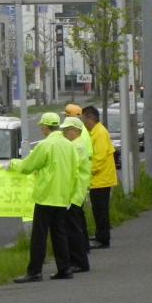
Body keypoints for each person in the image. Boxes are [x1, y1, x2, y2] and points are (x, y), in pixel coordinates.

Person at [9, 112, 79, 283]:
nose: (41, 129)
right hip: (62, 196)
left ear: (46, 128)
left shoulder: (45, 145)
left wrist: (12, 164)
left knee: (39, 236)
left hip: (46, 196)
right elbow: (75, 171)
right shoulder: (69, 145)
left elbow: (28, 166)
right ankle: (65, 268)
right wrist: (70, 193)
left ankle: (34, 271)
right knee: (59, 233)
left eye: (42, 127)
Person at [81, 105, 118, 249]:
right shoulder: (95, 132)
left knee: (100, 210)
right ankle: (100, 235)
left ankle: (103, 239)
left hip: (101, 179)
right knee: (98, 209)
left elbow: (100, 157)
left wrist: (89, 171)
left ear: (90, 117)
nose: (83, 122)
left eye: (83, 118)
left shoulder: (100, 133)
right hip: (99, 179)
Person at [60, 116, 92, 272]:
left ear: (76, 131)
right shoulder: (77, 144)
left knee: (73, 230)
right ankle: (78, 261)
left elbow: (72, 170)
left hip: (74, 193)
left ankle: (79, 262)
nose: (65, 133)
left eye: (67, 130)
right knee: (74, 228)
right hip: (76, 192)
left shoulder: (76, 146)